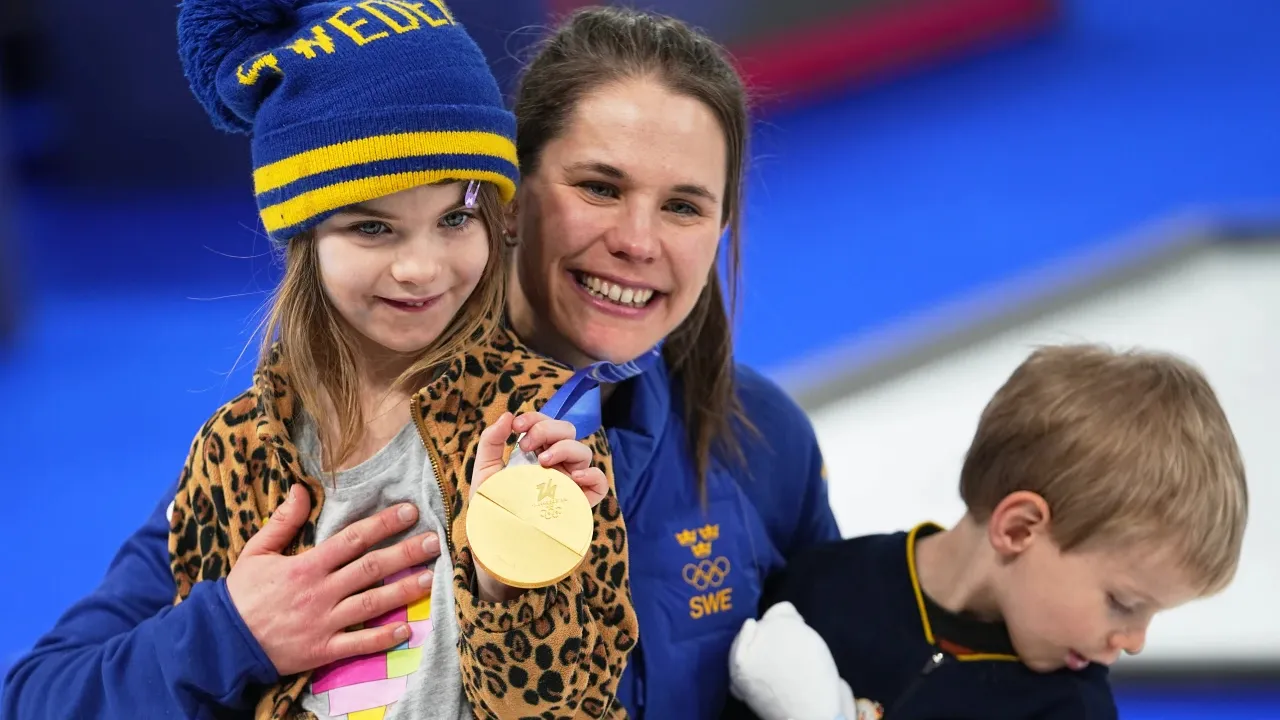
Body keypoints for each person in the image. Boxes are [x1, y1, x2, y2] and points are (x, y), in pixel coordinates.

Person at [3, 7, 840, 719]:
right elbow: (41, 695)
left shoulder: (760, 439)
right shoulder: (290, 455)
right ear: (511, 202)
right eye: (598, 186)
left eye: (685, 205)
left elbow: (862, 653)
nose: (638, 241)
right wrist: (232, 630)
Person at [729, 344, 1248, 719]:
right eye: (1123, 601)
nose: (1134, 642)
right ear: (1020, 529)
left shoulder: (1070, 708)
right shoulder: (826, 583)